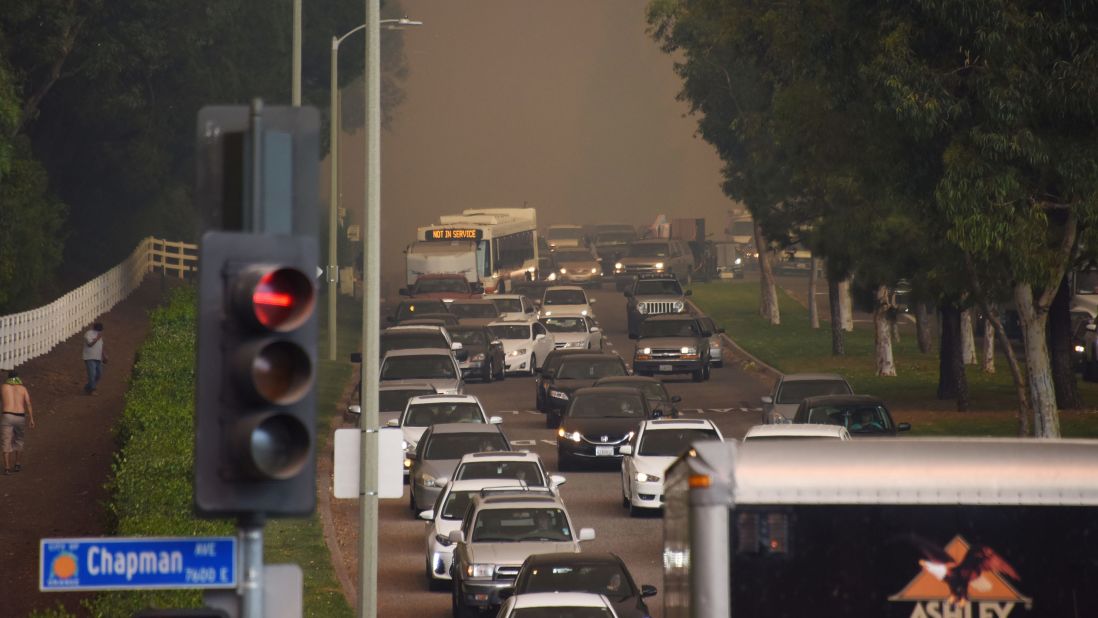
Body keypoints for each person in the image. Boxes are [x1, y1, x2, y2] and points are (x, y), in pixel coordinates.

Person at [1, 370, 35, 474]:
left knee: (6, 442)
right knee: (19, 440)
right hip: (20, 416)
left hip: (7, 415)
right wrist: (31, 418)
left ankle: (7, 468)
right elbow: (28, 403)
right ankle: (17, 464)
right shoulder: (22, 388)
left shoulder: (3, 387)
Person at [82, 322, 108, 394]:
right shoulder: (88, 334)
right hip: (89, 357)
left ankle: (88, 387)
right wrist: (97, 338)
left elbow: (100, 346)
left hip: (98, 357)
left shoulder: (99, 335)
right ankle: (92, 389)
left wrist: (104, 355)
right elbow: (90, 344)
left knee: (99, 374)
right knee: (92, 374)